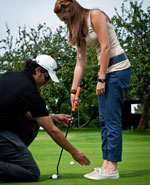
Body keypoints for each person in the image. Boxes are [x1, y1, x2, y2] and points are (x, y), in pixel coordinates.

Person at [54, 0, 132, 180]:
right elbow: (80, 63)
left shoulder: (95, 15)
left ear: (72, 11)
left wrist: (101, 78)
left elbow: (106, 47)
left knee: (111, 119)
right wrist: (73, 92)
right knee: (104, 120)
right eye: (62, 20)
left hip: (117, 68)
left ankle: (112, 168)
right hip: (105, 71)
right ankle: (106, 164)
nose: (65, 23)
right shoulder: (79, 29)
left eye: (65, 18)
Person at [0, 54, 90, 182]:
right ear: (38, 71)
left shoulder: (9, 76)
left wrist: (52, 116)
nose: (47, 82)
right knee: (31, 172)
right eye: (47, 77)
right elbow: (52, 130)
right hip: (2, 133)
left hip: (4, 129)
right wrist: (74, 152)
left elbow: (26, 114)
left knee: (32, 125)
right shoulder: (30, 91)